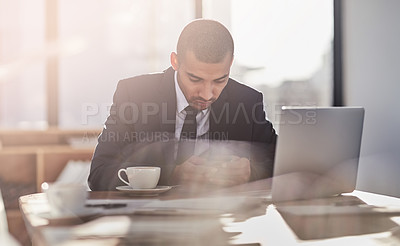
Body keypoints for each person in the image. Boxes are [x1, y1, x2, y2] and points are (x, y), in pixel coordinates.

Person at [88, 19, 277, 191]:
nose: (207, 94)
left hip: (221, 220)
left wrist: (252, 171)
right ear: (175, 61)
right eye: (195, 79)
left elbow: (282, 161)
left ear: (231, 64)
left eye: (220, 80)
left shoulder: (246, 101)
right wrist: (172, 174)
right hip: (149, 220)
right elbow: (99, 174)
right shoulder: (134, 95)